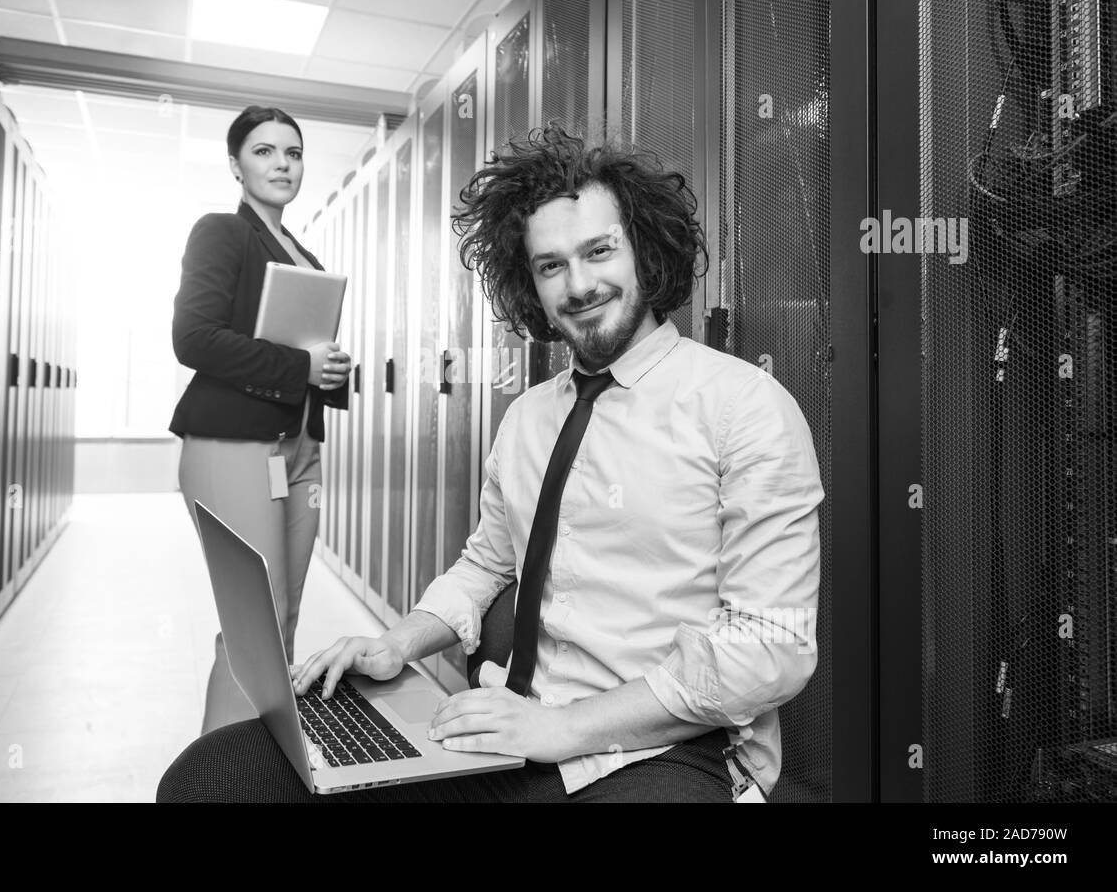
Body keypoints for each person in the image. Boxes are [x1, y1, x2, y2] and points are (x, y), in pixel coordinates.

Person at [158, 123, 822, 802]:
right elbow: (486, 564)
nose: (580, 284)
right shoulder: (529, 417)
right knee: (209, 779)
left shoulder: (745, 407)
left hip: (667, 745)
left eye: (599, 251)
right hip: (509, 727)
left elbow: (771, 645)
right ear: (528, 284)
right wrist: (398, 642)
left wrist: (565, 727)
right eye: (551, 265)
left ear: (645, 252)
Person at [169, 104, 352, 735]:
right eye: (265, 151)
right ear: (235, 165)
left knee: (284, 618)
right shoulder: (222, 232)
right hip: (233, 447)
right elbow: (193, 338)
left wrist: (329, 370)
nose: (282, 164)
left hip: (300, 452)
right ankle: (220, 780)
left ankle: (269, 769)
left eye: (293, 153)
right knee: (257, 625)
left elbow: (302, 356)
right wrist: (297, 364)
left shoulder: (304, 254)